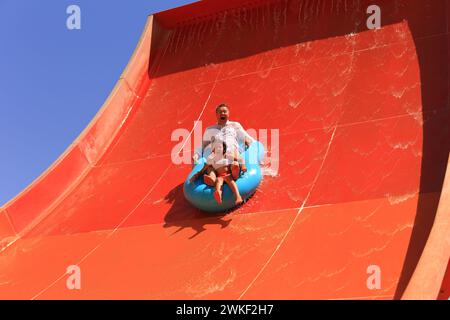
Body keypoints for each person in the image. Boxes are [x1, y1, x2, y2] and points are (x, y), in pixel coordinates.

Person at [193, 103, 254, 186]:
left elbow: (247, 137)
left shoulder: (235, 125)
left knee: (233, 157)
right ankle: (212, 178)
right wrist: (196, 154)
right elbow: (202, 145)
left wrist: (249, 143)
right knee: (211, 165)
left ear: (228, 113)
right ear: (216, 115)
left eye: (225, 111)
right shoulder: (210, 129)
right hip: (216, 154)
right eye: (220, 112)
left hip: (230, 151)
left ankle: (233, 170)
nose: (222, 113)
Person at [190, 140, 244, 205]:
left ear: (224, 149)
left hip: (228, 174)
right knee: (218, 182)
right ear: (213, 150)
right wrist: (196, 175)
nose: (218, 149)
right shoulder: (212, 159)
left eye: (220, 147)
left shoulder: (227, 156)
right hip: (220, 176)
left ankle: (238, 196)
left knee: (231, 182)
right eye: (216, 147)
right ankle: (218, 194)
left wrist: (243, 166)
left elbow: (238, 159)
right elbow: (204, 168)